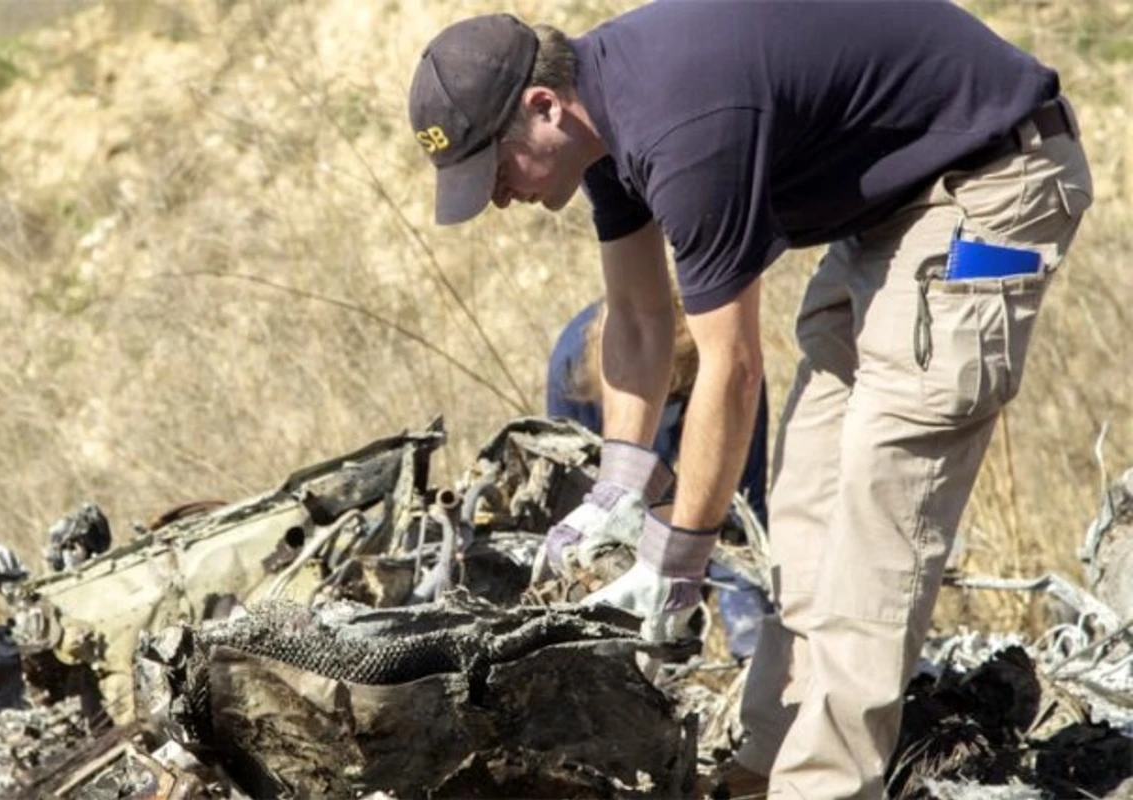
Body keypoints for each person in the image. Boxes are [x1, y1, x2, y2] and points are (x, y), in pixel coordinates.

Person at [407, 4, 1092, 799]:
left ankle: (824, 787)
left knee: (882, 507)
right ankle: (765, 766)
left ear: (542, 107)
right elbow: (635, 315)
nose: (497, 200)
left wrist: (678, 559)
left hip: (994, 182)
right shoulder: (605, 126)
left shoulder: (682, 126)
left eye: (495, 172)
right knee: (808, 502)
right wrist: (618, 487)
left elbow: (731, 369)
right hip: (891, 215)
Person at [546, 296, 772, 658]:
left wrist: (751, 635)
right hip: (593, 403)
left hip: (706, 388)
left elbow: (741, 510)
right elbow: (574, 492)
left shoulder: (733, 371)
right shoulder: (571, 370)